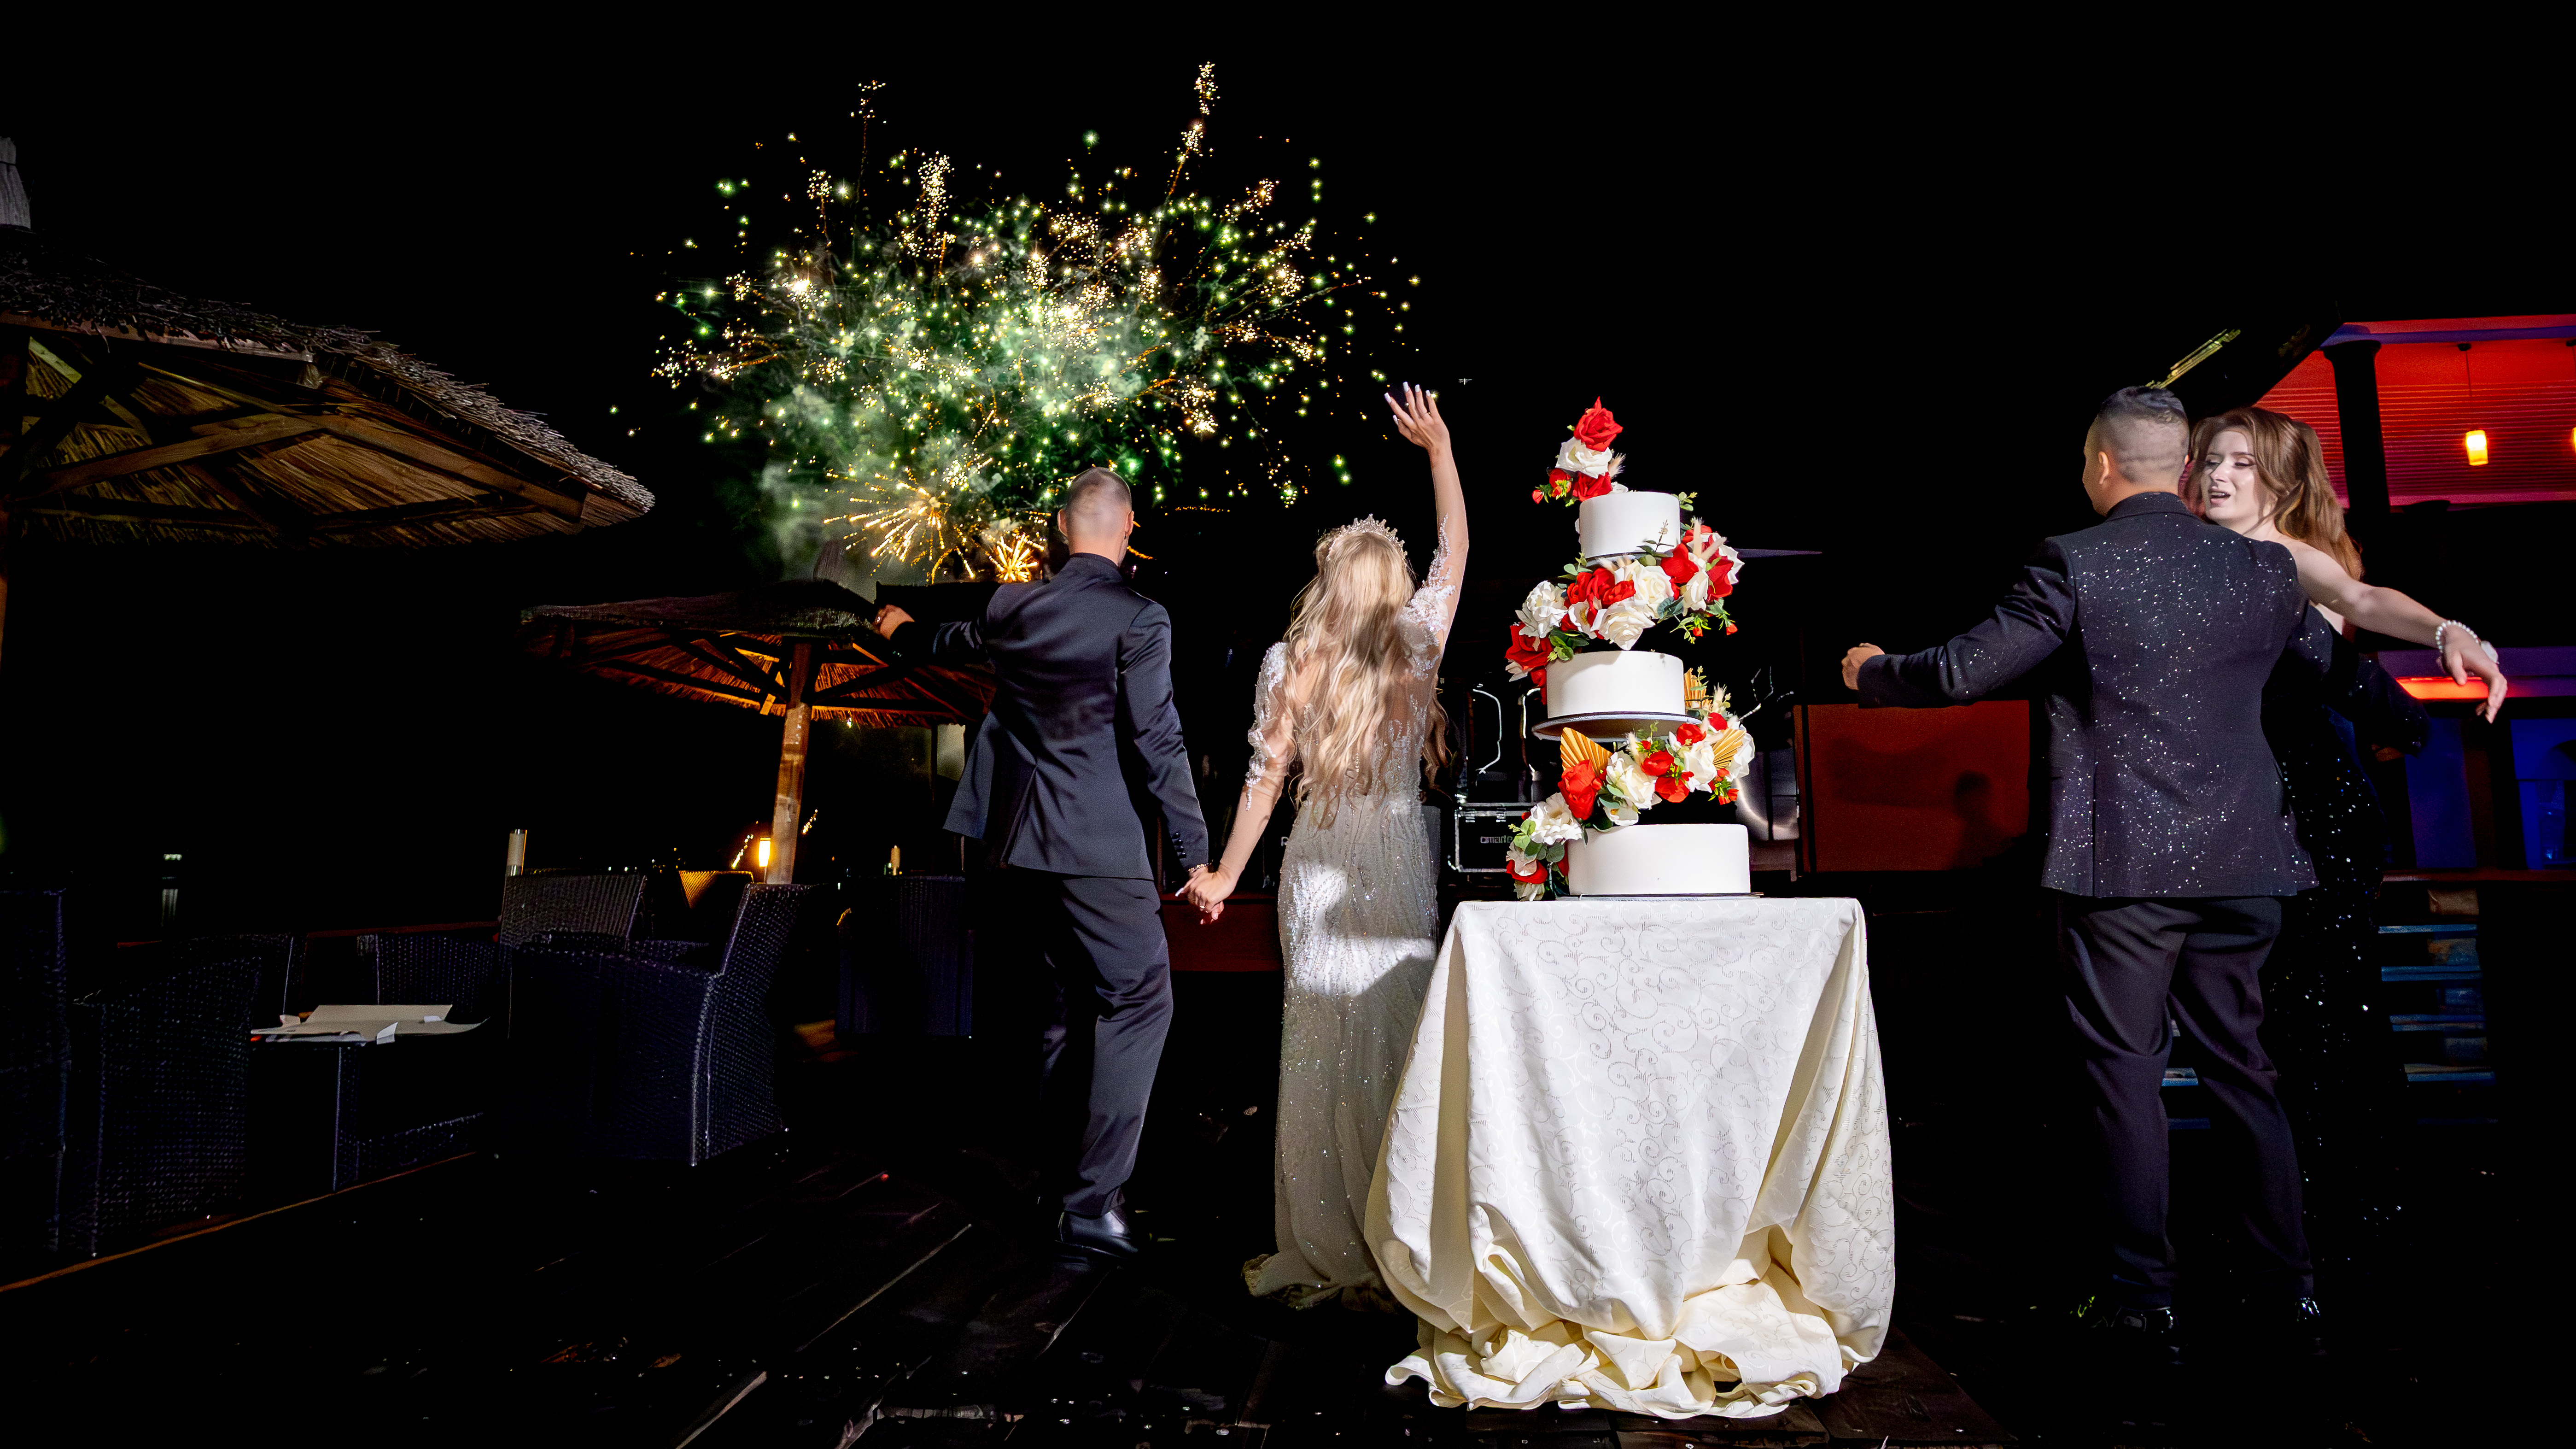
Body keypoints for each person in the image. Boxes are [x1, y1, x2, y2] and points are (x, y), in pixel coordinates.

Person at [1841, 387, 2362, 1366]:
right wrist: (2424, 696)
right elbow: (2334, 669)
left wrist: (1873, 670)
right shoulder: (2262, 568)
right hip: (2244, 861)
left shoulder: (2074, 560)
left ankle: (2143, 1301)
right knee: (2244, 1070)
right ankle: (2287, 1291)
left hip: (2125, 867)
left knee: (2126, 1076)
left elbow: (1960, 671)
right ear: (2184, 467)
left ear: (2104, 465)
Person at [870, 468, 1212, 1261]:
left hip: (1023, 849)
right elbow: (1157, 739)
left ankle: (1059, 1188)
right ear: (1128, 529)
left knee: (1065, 1010)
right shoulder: (1140, 617)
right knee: (1139, 1001)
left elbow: (945, 641)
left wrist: (899, 630)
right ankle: (1092, 1207)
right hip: (1100, 848)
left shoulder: (1011, 606)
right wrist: (1196, 855)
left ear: (1061, 528)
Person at [1180, 383, 1466, 1308]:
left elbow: (1262, 782)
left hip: (1317, 861)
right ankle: (1404, 1235)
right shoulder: (1419, 646)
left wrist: (1224, 873)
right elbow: (1457, 550)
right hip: (1396, 854)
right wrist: (1439, 452)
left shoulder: (1289, 662)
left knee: (1318, 1047)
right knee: (1394, 1038)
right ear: (1392, 586)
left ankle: (1327, 1236)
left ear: (1329, 584)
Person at [2190, 406, 2506, 719]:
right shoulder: (2198, 555)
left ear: (2282, 482)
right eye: (2212, 462)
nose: (2216, 474)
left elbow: (2361, 599)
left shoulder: (2291, 555)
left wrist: (2447, 631)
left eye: (2242, 463)